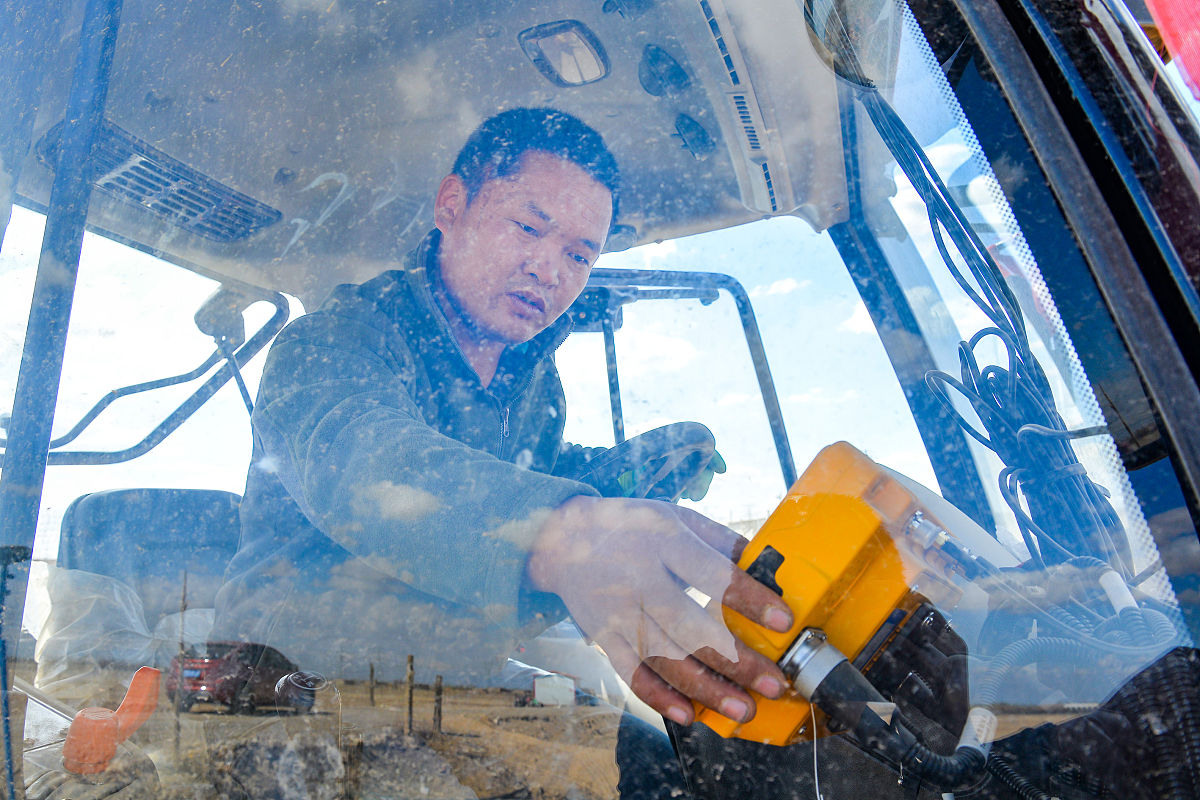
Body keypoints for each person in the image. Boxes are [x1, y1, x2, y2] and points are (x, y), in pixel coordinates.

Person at [212, 107, 792, 731]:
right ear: (451, 205)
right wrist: (565, 533)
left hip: (451, 677)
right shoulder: (330, 344)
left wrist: (622, 475)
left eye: (579, 255)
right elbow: (362, 463)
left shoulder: (535, 384)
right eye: (528, 228)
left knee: (658, 757)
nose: (550, 270)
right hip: (288, 690)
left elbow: (519, 468)